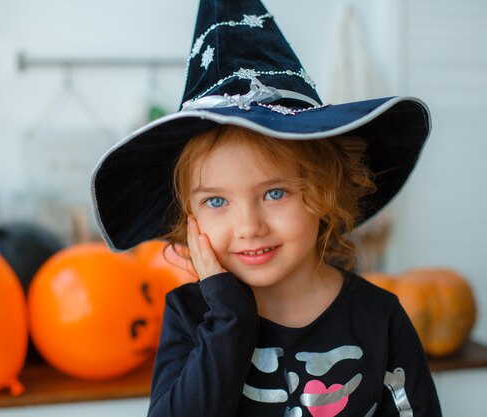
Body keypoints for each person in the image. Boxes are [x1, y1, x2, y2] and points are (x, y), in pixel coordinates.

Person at [91, 0, 442, 415]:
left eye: (275, 193)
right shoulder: (190, 315)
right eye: (216, 201)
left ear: (326, 192)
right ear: (190, 219)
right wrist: (228, 317)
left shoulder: (379, 318)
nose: (249, 226)